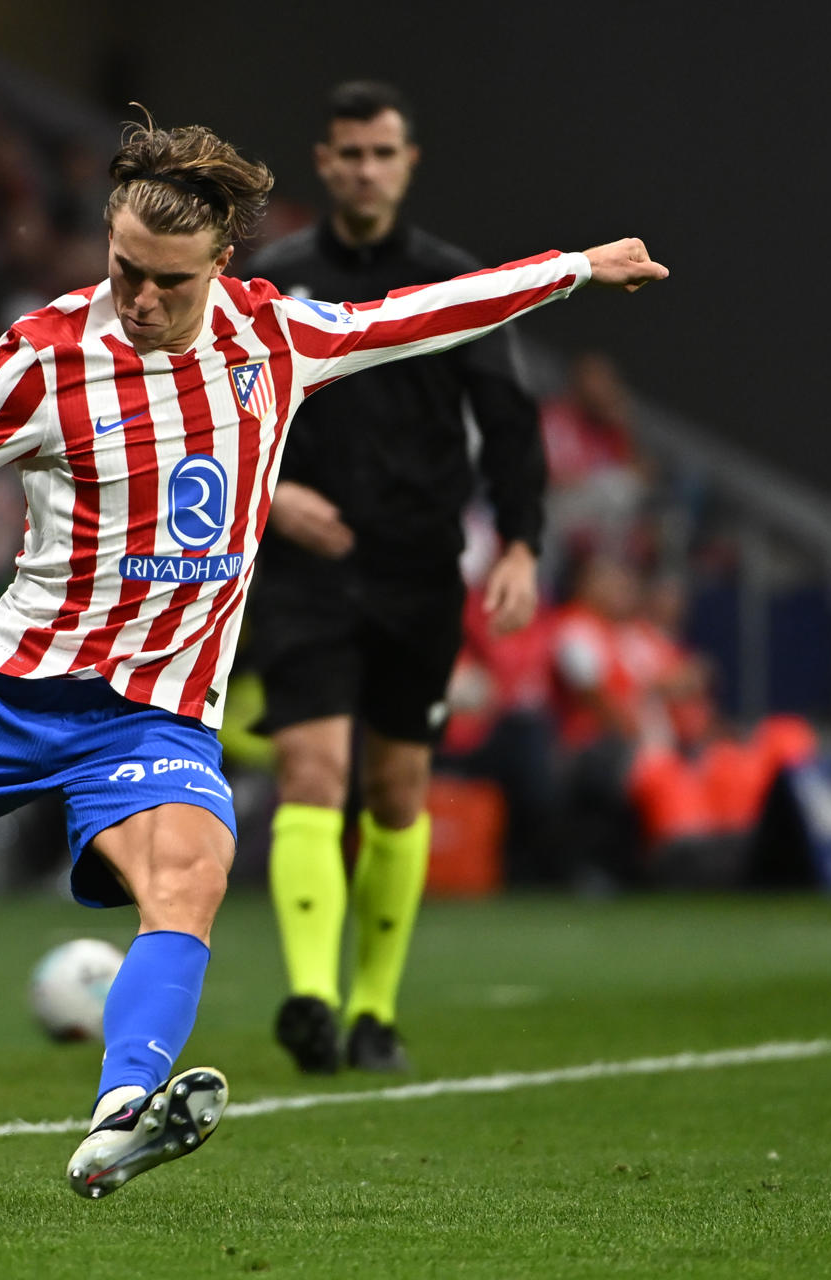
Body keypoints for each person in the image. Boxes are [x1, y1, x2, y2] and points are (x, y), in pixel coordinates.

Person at [0, 116, 667, 1199]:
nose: (138, 301)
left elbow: (422, 314)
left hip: (154, 717)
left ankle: (122, 1112)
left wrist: (575, 267)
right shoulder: (43, 357)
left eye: (166, 283)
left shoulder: (276, 337)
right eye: (122, 271)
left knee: (189, 875)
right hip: (4, 689)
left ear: (222, 264)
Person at [241, 82, 549, 1075]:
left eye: (382, 153)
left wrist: (522, 541)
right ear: (323, 164)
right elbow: (222, 412)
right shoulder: (273, 282)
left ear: (408, 162)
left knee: (397, 787)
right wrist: (274, 492)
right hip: (303, 567)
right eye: (349, 153)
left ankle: (374, 1007)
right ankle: (312, 997)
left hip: (417, 567)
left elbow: (509, 421)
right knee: (311, 772)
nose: (365, 168)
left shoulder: (454, 284)